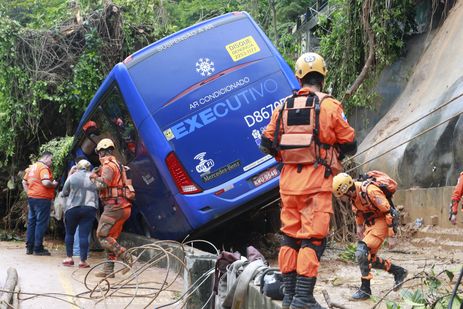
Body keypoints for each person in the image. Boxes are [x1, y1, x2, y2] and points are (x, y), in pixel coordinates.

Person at [260, 52, 357, 309]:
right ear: (323, 77)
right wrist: (331, 151)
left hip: (289, 184)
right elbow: (350, 143)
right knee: (313, 240)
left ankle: (291, 296)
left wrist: (288, 155)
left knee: (290, 238)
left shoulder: (282, 107)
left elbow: (266, 143)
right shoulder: (330, 106)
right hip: (317, 184)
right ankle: (303, 298)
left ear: (299, 76)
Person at [332, 172, 408, 300]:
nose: (340, 199)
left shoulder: (370, 191)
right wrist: (359, 226)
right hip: (371, 224)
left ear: (346, 191)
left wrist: (391, 235)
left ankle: (365, 290)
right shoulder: (354, 196)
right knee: (369, 259)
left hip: (382, 222)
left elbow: (389, 212)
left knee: (361, 252)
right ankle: (398, 271)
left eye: (341, 196)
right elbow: (358, 211)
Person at [90, 138, 134, 278]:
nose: (99, 156)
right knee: (111, 238)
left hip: (114, 207)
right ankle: (108, 270)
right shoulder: (119, 165)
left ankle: (126, 256)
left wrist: (92, 178)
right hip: (123, 206)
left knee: (102, 235)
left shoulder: (108, 166)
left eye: (99, 153)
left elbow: (103, 185)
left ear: (102, 152)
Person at [61, 159, 98, 268]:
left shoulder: (72, 177)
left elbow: (64, 192)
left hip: (72, 208)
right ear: (89, 167)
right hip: (89, 208)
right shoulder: (93, 177)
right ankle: (83, 261)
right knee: (83, 235)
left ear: (78, 167)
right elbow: (101, 187)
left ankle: (69, 258)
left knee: (70, 233)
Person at [22, 151, 58, 256]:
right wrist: (54, 184)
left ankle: (29, 247)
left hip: (32, 198)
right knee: (41, 223)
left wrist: (28, 192)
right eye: (51, 159)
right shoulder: (43, 168)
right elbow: (46, 182)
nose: (51, 162)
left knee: (32, 222)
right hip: (42, 198)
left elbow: (24, 182)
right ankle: (38, 248)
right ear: (46, 158)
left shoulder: (32, 167)